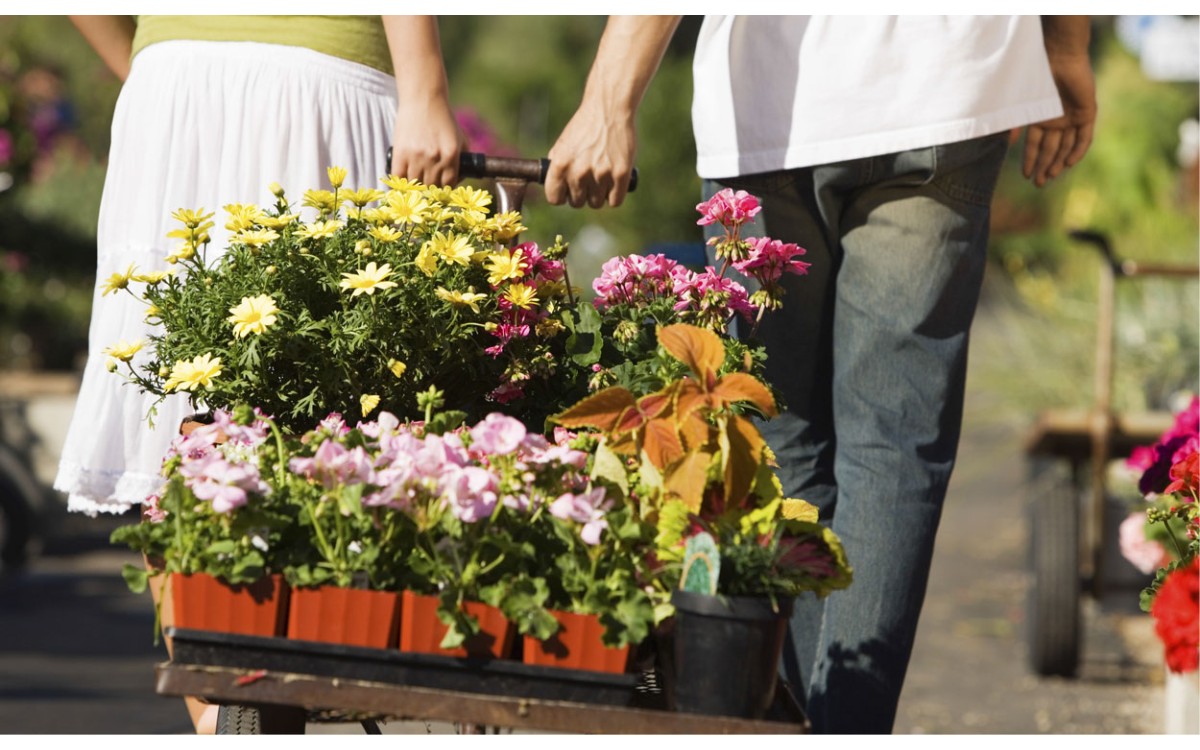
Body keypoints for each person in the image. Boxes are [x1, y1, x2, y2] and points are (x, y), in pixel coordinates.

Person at [545, 15, 1096, 733]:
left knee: (784, 441)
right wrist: (1064, 47)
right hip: (945, 81)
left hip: (774, 99)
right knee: (892, 452)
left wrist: (609, 99)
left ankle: (800, 728)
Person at [57, 14, 464, 733]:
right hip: (312, 79)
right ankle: (240, 723)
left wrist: (154, 68)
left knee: (179, 399)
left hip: (175, 87)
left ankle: (226, 724)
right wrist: (426, 88)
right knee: (335, 405)